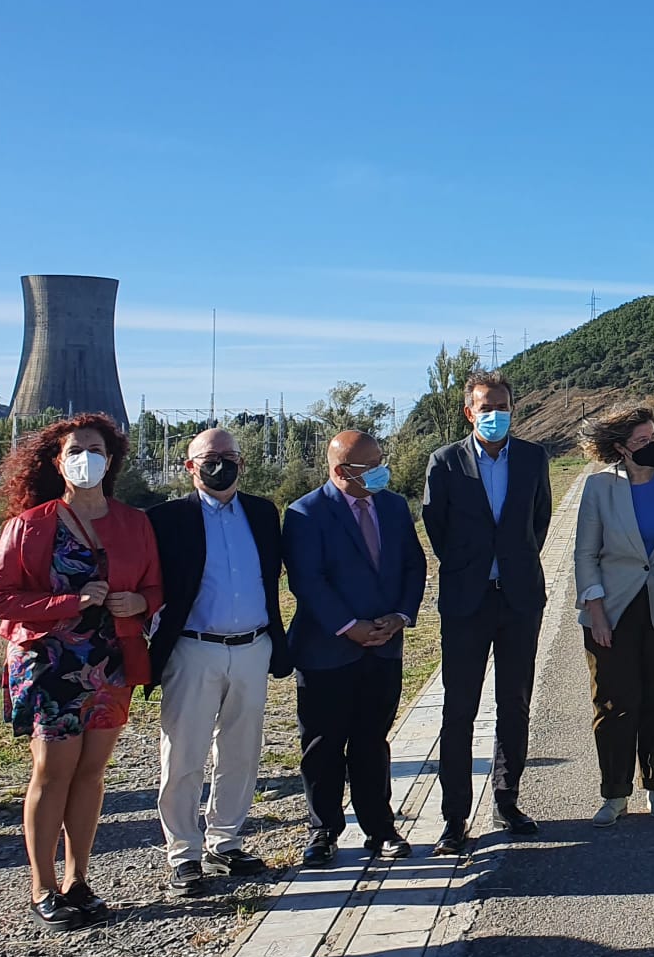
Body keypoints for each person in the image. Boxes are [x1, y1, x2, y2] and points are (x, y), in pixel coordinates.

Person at [0, 414, 163, 930]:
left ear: (111, 460)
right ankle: (42, 885)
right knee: (53, 770)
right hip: (49, 662)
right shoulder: (31, 525)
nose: (86, 457)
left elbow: (155, 589)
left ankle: (78, 879)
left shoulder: (134, 522)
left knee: (91, 771)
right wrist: (69, 601)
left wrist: (138, 602)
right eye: (75, 450)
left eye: (96, 449)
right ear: (58, 462)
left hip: (110, 660)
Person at [146, 428, 290, 897]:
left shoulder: (263, 513)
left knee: (241, 752)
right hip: (193, 649)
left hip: (252, 646)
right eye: (209, 457)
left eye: (229, 456)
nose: (220, 464)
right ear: (190, 467)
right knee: (183, 754)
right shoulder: (166, 519)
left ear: (242, 463)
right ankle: (183, 853)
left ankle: (225, 838)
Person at [422, 371, 555, 856]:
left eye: (502, 406)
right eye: (485, 407)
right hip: (466, 600)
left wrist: (514, 563)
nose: (494, 414)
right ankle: (454, 817)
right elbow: (436, 525)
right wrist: (471, 568)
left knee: (514, 704)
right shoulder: (445, 462)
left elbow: (539, 520)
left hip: (519, 598)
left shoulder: (533, 458)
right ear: (469, 411)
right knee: (459, 710)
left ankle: (507, 800)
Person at [283, 430, 427, 867]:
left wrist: (401, 616)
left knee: (371, 741)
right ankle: (324, 830)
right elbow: (307, 580)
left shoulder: (394, 506)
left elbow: (412, 563)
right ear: (343, 471)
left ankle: (380, 828)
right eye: (373, 465)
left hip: (383, 647)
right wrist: (350, 627)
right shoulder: (306, 512)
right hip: (328, 650)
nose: (383, 470)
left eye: (383, 459)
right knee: (323, 744)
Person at [573, 407, 654, 826]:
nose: (653, 446)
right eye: (642, 441)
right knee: (614, 701)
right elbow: (586, 553)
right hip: (614, 608)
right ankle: (614, 792)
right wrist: (596, 611)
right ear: (621, 447)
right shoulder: (599, 488)